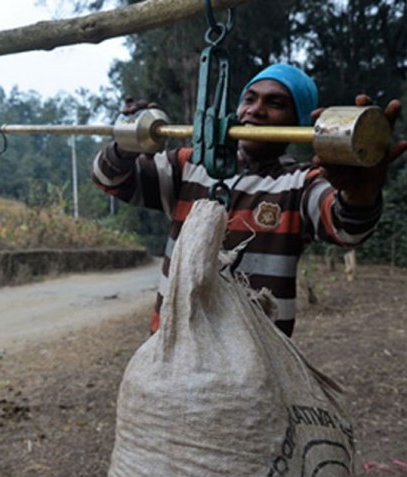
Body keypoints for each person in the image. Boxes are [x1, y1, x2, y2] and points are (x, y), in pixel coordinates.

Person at [92, 63, 407, 336]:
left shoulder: (302, 183)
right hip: (173, 344)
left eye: (275, 103)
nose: (255, 110)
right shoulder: (189, 165)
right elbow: (109, 179)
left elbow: (347, 226)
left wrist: (361, 193)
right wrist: (127, 145)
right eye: (249, 99)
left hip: (255, 361)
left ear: (297, 123)